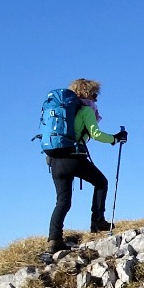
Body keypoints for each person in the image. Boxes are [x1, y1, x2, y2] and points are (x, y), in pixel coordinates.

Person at [47, 78, 128, 252]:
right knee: (101, 182)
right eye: (95, 94)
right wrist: (115, 138)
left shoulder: (60, 111)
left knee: (63, 201)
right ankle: (97, 221)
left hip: (54, 160)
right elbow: (96, 133)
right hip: (74, 158)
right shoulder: (85, 110)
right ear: (86, 93)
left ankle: (54, 239)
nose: (96, 98)